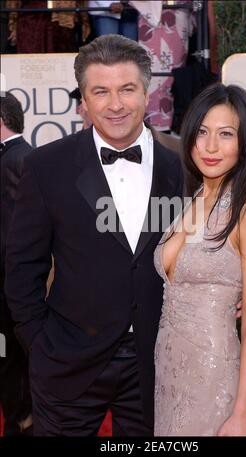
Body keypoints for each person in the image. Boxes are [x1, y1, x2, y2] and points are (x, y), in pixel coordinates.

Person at [5, 34, 183, 436]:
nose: (115, 104)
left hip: (156, 361)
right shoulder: (47, 166)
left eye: (127, 89)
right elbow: (21, 267)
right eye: (100, 91)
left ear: (147, 92)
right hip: (67, 359)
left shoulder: (181, 165)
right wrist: (40, 343)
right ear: (83, 99)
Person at [154, 83, 246, 436]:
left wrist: (243, 413)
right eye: (203, 133)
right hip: (167, 370)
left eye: (225, 134)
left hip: (213, 371)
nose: (210, 146)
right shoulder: (191, 200)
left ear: (245, 142)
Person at [0, 93, 33, 436]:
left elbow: (15, 235)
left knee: (14, 362)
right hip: (15, 287)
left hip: (13, 290)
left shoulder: (17, 161)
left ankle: (21, 426)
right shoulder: (24, 157)